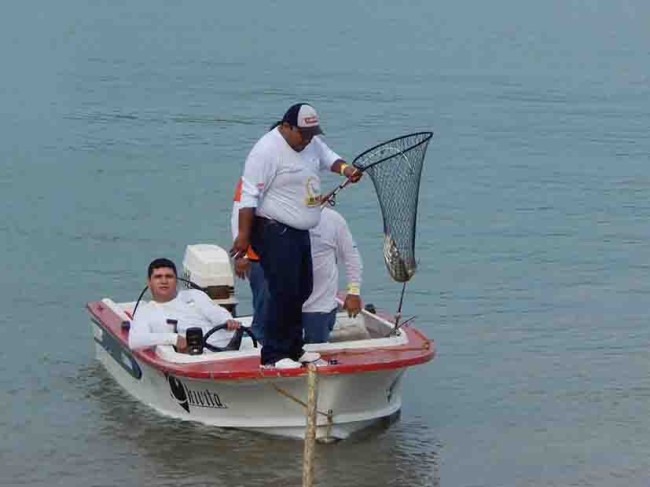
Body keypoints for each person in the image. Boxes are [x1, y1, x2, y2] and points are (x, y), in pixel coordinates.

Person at [231, 102, 361, 369]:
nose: (307, 139)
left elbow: (329, 158)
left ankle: (294, 346)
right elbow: (248, 197)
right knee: (282, 291)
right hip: (272, 229)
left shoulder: (311, 142)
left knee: (303, 288)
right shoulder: (266, 150)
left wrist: (346, 169)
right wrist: (243, 238)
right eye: (303, 134)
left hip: (301, 230)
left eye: (312, 134)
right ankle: (273, 355)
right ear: (287, 126)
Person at [128, 258, 242, 352]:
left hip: (228, 350)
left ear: (176, 280)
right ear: (149, 282)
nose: (164, 281)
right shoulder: (145, 311)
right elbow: (135, 341)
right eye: (158, 277)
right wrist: (174, 339)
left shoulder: (195, 295)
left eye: (169, 276)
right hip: (192, 358)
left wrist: (227, 320)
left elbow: (216, 312)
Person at [303, 207, 363, 343]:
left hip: (319, 308)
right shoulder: (282, 218)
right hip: (285, 306)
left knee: (315, 353)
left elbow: (351, 257)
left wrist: (354, 291)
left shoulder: (333, 219)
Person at [231, 177, 269, 344]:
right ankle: (259, 340)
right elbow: (236, 218)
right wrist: (241, 255)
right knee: (264, 301)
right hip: (257, 256)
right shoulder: (248, 180)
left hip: (284, 252)